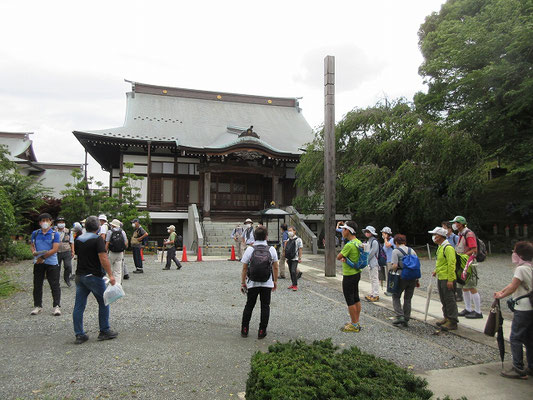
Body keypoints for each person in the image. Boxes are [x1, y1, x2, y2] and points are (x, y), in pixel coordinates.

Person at [73, 215, 118, 344]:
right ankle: (104, 330)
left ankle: (79, 334)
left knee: (79, 305)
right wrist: (111, 275)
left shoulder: (79, 239)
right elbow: (103, 258)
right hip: (94, 276)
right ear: (98, 227)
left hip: (80, 275)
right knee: (104, 302)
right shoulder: (98, 240)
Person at [494, 241, 533, 379]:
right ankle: (531, 366)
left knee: (515, 337)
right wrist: (502, 291)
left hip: (523, 308)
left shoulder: (520, 269)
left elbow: (513, 286)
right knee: (529, 338)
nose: (513, 254)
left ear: (520, 255)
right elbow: (513, 284)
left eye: (514, 252)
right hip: (531, 307)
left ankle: (518, 367)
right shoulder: (529, 267)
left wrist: (501, 295)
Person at [240, 225, 279, 339]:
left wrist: (243, 282)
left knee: (249, 305)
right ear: (266, 237)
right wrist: (275, 281)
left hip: (252, 282)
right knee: (265, 306)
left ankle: (245, 329)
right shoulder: (271, 249)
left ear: (254, 237)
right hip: (267, 282)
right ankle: (262, 331)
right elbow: (275, 267)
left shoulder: (250, 249)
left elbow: (244, 268)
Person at [450, 216, 482, 319]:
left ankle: (478, 311)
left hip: (468, 263)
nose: (454, 225)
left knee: (471, 286)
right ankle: (468, 308)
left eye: (456, 223)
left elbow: (474, 250)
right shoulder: (461, 234)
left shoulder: (469, 234)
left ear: (460, 223)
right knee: (464, 287)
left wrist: (462, 256)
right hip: (462, 263)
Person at [30, 213, 61, 316]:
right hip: (38, 262)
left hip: (51, 262)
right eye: (43, 221)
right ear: (39, 222)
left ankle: (56, 306)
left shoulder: (54, 234)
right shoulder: (35, 233)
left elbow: (55, 249)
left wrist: (42, 258)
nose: (45, 223)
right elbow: (32, 245)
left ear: (51, 222)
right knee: (37, 284)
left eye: (47, 220)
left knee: (54, 284)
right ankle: (37, 306)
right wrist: (34, 252)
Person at [429, 226, 459, 331]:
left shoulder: (448, 247)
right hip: (441, 276)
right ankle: (446, 317)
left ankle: (453, 321)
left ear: (440, 236)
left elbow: (451, 264)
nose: (433, 237)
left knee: (450, 299)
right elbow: (442, 262)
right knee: (443, 298)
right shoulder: (440, 247)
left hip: (447, 277)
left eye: (435, 235)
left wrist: (451, 279)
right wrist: (436, 271)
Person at [336, 221, 363, 333]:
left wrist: (343, 257)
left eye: (344, 229)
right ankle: (356, 321)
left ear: (348, 231)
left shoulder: (349, 245)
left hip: (349, 275)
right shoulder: (358, 242)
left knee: (349, 299)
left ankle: (354, 324)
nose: (342, 231)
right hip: (357, 273)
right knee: (356, 297)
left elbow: (339, 256)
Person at [390, 234, 418, 327]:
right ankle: (406, 318)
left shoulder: (396, 251)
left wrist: (391, 272)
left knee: (396, 296)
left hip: (401, 276)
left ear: (396, 242)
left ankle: (399, 315)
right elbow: (417, 265)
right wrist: (417, 279)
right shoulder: (412, 250)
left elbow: (394, 265)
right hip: (413, 277)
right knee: (408, 298)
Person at [105, 219, 128, 285]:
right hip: (120, 252)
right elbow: (125, 243)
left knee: (109, 268)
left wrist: (105, 251)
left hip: (112, 252)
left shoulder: (110, 232)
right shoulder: (123, 232)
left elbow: (107, 242)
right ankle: (117, 284)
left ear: (113, 225)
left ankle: (110, 283)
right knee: (118, 270)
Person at [55, 216, 74, 288]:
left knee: (68, 266)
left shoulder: (68, 231)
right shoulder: (54, 231)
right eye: (59, 222)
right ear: (57, 223)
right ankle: (56, 282)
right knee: (56, 267)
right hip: (56, 251)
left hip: (67, 251)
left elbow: (72, 242)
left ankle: (66, 279)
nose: (61, 224)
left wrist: (73, 251)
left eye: (62, 222)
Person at [363, 226, 380, 302]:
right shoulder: (370, 240)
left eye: (368, 232)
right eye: (366, 231)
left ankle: (376, 294)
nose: (366, 233)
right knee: (372, 279)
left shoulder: (374, 241)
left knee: (374, 279)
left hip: (374, 262)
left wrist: (365, 259)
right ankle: (373, 293)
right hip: (371, 263)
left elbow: (372, 253)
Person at [285, 226, 303, 291]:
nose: (290, 232)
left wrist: (300, 257)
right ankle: (293, 284)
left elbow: (300, 248)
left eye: (291, 230)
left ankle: (295, 285)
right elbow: (286, 249)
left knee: (293, 271)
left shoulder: (298, 239)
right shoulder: (288, 239)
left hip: (295, 258)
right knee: (290, 271)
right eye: (289, 231)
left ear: (294, 231)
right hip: (289, 258)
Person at [381, 227, 395, 296]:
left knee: (391, 276)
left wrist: (385, 239)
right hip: (388, 260)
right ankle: (389, 289)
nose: (382, 235)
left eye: (383, 233)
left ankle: (391, 290)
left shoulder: (392, 240)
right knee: (388, 276)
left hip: (392, 261)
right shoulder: (386, 241)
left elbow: (387, 246)